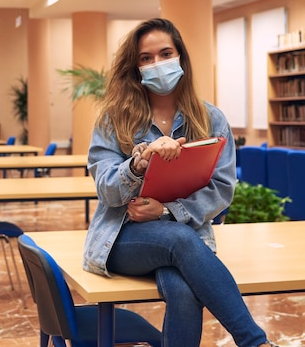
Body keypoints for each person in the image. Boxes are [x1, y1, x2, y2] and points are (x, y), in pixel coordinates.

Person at [83, 18, 278, 347]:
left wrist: (165, 211)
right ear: (135, 66)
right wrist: (139, 164)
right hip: (120, 239)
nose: (156, 64)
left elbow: (222, 190)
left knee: (184, 291)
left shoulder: (211, 119)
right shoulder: (113, 119)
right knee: (182, 239)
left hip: (181, 239)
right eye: (146, 58)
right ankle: (255, 342)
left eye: (165, 53)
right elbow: (105, 188)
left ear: (181, 58)